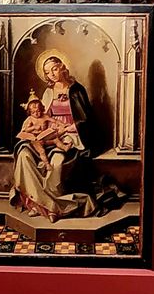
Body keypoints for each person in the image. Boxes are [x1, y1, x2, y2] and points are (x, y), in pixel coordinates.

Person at [8, 55, 98, 223]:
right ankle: (37, 203)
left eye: (55, 69)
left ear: (62, 67)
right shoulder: (48, 92)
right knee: (24, 155)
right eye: (48, 72)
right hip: (50, 131)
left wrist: (67, 128)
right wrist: (37, 129)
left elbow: (86, 119)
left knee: (57, 162)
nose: (52, 74)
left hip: (71, 133)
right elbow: (43, 115)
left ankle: (53, 206)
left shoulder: (77, 90)